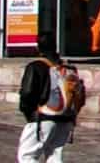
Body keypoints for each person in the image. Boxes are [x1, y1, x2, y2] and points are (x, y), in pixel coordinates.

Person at [17, 32, 80, 162]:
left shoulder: (35, 66)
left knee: (27, 156)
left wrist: (29, 112)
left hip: (43, 117)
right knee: (55, 156)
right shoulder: (68, 68)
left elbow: (27, 93)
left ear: (38, 47)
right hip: (65, 119)